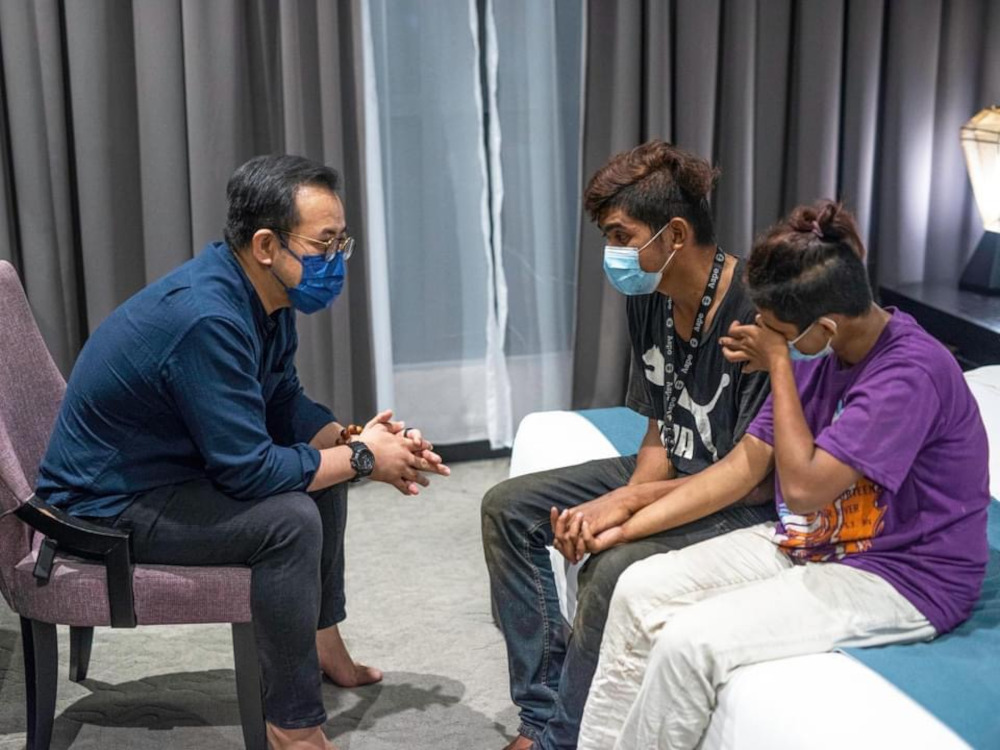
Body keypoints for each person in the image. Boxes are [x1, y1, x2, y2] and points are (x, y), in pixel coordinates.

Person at [35, 154, 450, 750]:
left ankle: (322, 641)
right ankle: (293, 726)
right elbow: (250, 472)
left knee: (322, 473)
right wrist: (364, 458)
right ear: (266, 245)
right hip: (102, 506)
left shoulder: (264, 297)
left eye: (342, 242)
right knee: (289, 520)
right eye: (324, 244)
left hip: (165, 473)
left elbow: (282, 400)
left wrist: (353, 441)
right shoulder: (207, 317)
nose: (336, 259)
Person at [575, 200, 991, 750]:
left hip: (903, 576)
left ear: (825, 326)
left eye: (775, 329)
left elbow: (802, 490)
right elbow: (744, 465)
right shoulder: (824, 352)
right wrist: (625, 518)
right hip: (815, 540)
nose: (761, 333)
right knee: (636, 588)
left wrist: (779, 365)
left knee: (690, 644)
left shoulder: (908, 375)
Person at [481, 141, 775, 750]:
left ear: (675, 234)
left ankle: (561, 739)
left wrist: (624, 515)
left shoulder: (756, 313)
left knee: (612, 566)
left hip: (739, 497)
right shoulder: (650, 297)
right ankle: (542, 711)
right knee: (506, 508)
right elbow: (659, 431)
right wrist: (624, 500)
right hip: (679, 471)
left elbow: (750, 476)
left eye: (621, 235)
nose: (612, 253)